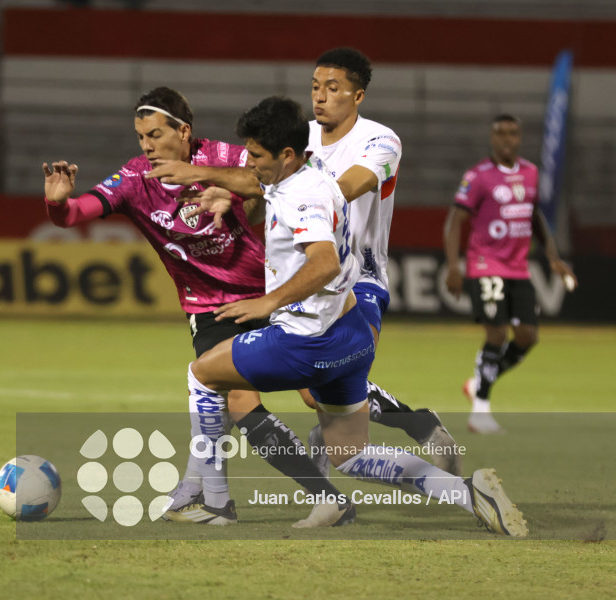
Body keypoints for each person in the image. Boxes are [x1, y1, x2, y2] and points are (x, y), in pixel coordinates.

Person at [170, 96, 527, 534]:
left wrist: (268, 302)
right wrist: (205, 174)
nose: (251, 165)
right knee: (351, 455)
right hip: (349, 332)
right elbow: (256, 183)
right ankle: (471, 492)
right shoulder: (314, 170)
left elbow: (324, 263)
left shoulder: (300, 198)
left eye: (257, 157)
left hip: (306, 340)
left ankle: (213, 500)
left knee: (203, 375)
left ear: (285, 155)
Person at [43, 86, 352, 526]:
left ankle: (408, 430)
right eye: (140, 137)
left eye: (154, 134)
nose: (147, 145)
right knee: (236, 401)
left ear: (184, 131)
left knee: (310, 395)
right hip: (207, 309)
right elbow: (77, 213)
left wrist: (203, 177)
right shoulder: (135, 180)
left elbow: (269, 179)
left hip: (265, 294)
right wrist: (57, 205)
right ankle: (242, 500)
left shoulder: (223, 156)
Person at [147, 47, 462, 476]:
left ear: (358, 96)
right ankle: (405, 435)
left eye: (333, 88)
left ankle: (354, 466)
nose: (320, 97)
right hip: (307, 277)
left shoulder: (380, 141)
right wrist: (243, 193)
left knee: (315, 386)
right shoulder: (298, 137)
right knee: (317, 393)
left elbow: (337, 190)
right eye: (315, 87)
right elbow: (267, 188)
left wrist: (215, 176)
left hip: (360, 280)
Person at [443, 113, 577, 434]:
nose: (507, 139)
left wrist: (553, 257)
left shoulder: (531, 173)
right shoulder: (478, 176)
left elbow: (534, 217)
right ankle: (481, 412)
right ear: (493, 138)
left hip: (518, 268)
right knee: (496, 334)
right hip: (485, 264)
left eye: (513, 133)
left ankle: (478, 382)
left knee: (528, 337)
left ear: (519, 138)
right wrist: (453, 267)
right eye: (500, 133)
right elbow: (454, 222)